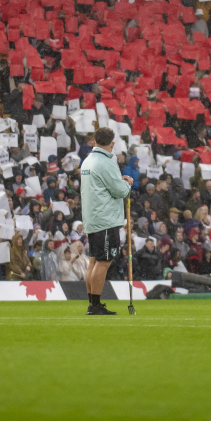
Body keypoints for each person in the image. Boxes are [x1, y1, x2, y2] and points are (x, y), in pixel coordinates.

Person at [80, 127, 133, 315]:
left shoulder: (88, 160)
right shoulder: (106, 161)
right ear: (112, 143)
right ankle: (95, 305)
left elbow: (103, 185)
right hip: (106, 218)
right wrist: (127, 183)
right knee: (104, 261)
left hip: (92, 217)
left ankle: (92, 303)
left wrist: (119, 181)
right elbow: (119, 191)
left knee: (94, 261)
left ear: (94, 141)